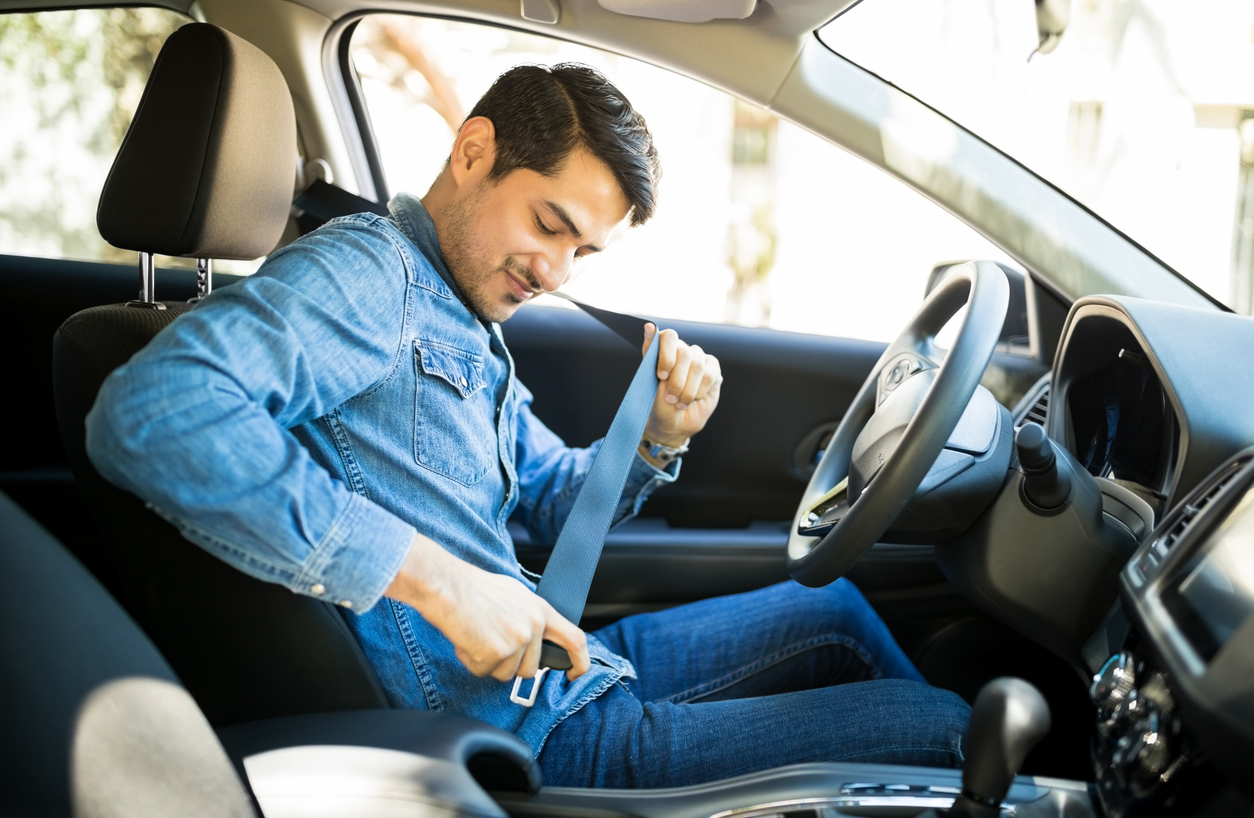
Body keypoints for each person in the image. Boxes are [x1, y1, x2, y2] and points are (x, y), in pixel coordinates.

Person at [86, 63, 969, 789]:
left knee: (842, 612)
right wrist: (434, 581)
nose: (555, 272)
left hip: (558, 676)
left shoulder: (458, 309)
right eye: (551, 226)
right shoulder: (369, 276)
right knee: (946, 732)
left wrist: (658, 435)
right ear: (474, 151)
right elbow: (151, 413)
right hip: (518, 736)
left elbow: (550, 499)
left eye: (582, 252)